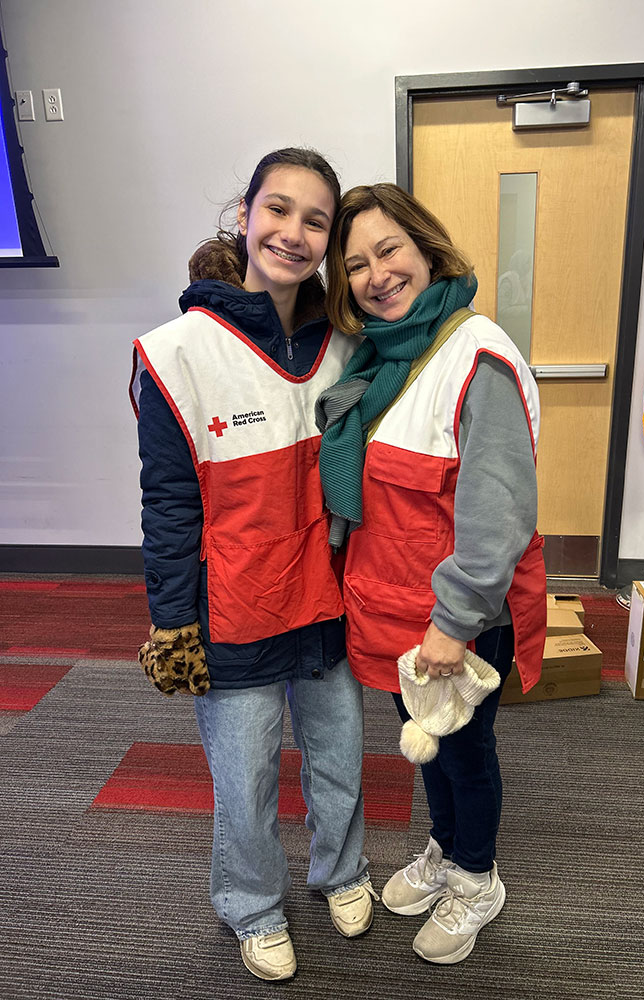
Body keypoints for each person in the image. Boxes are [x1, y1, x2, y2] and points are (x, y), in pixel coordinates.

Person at [129, 149, 375, 983]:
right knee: (246, 779)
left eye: (316, 220)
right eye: (279, 209)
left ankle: (342, 871)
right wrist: (172, 622)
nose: (294, 233)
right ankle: (253, 906)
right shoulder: (174, 352)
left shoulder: (347, 342)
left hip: (328, 600)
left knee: (340, 757)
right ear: (245, 213)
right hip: (230, 609)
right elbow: (167, 503)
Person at [317, 184, 547, 965]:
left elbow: (498, 513)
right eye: (355, 266)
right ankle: (446, 850)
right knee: (430, 751)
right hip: (392, 612)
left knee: (466, 753)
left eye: (389, 251)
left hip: (456, 620)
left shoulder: (475, 354)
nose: (377, 275)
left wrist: (454, 624)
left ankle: (478, 880)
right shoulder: (385, 360)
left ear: (426, 248)